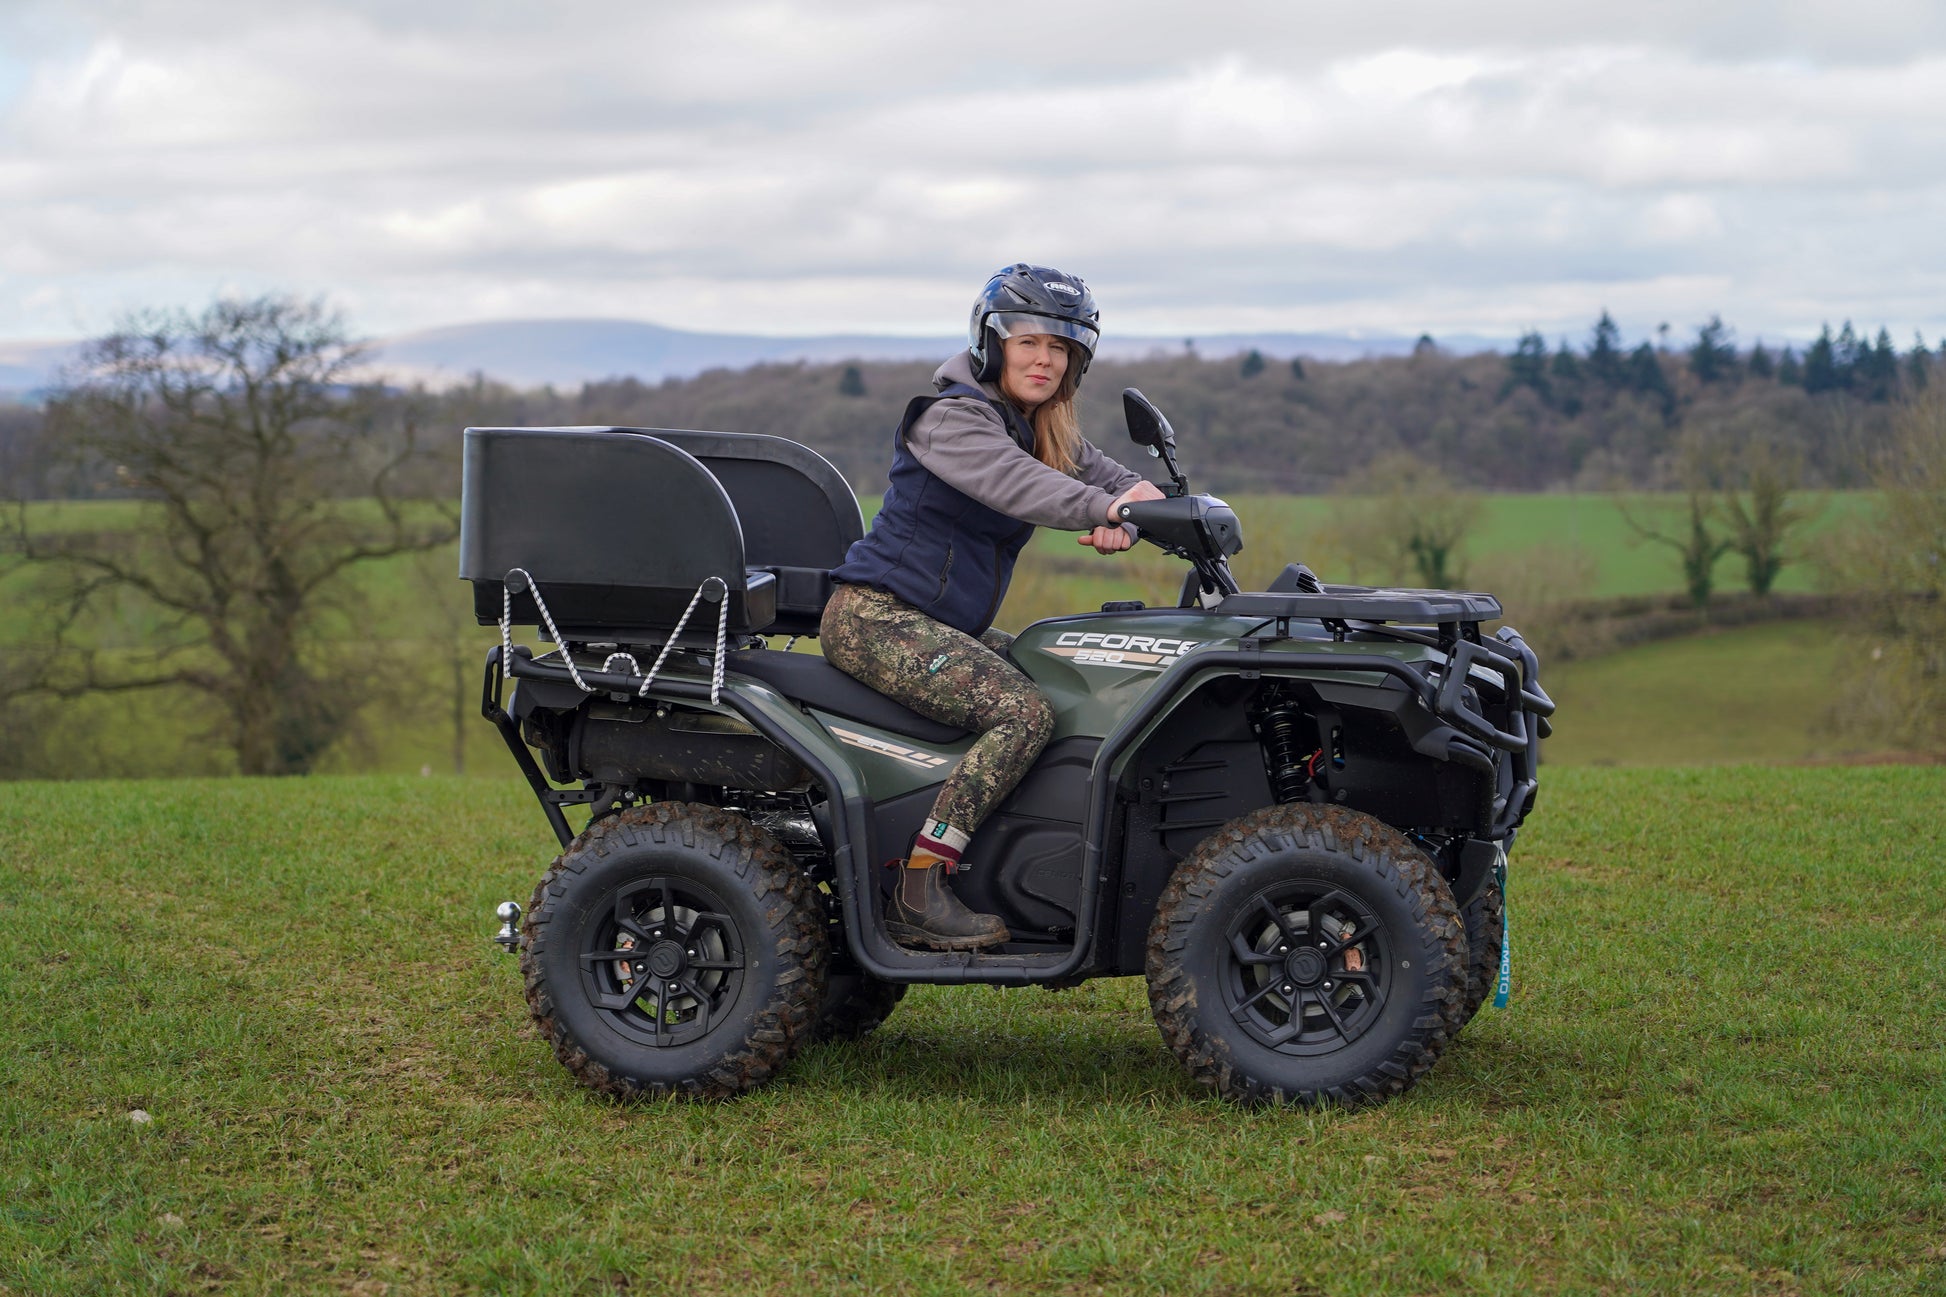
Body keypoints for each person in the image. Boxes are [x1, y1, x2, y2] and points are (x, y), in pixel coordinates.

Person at [822, 263, 1165, 951]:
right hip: (874, 617)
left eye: (1061, 348)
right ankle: (919, 885)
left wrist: (1144, 514)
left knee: (1064, 676)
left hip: (938, 624)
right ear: (992, 342)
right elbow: (1023, 487)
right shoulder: (952, 420)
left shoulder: (1040, 427)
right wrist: (1106, 508)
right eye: (1029, 341)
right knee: (1022, 710)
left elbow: (1116, 479)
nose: (1044, 359)